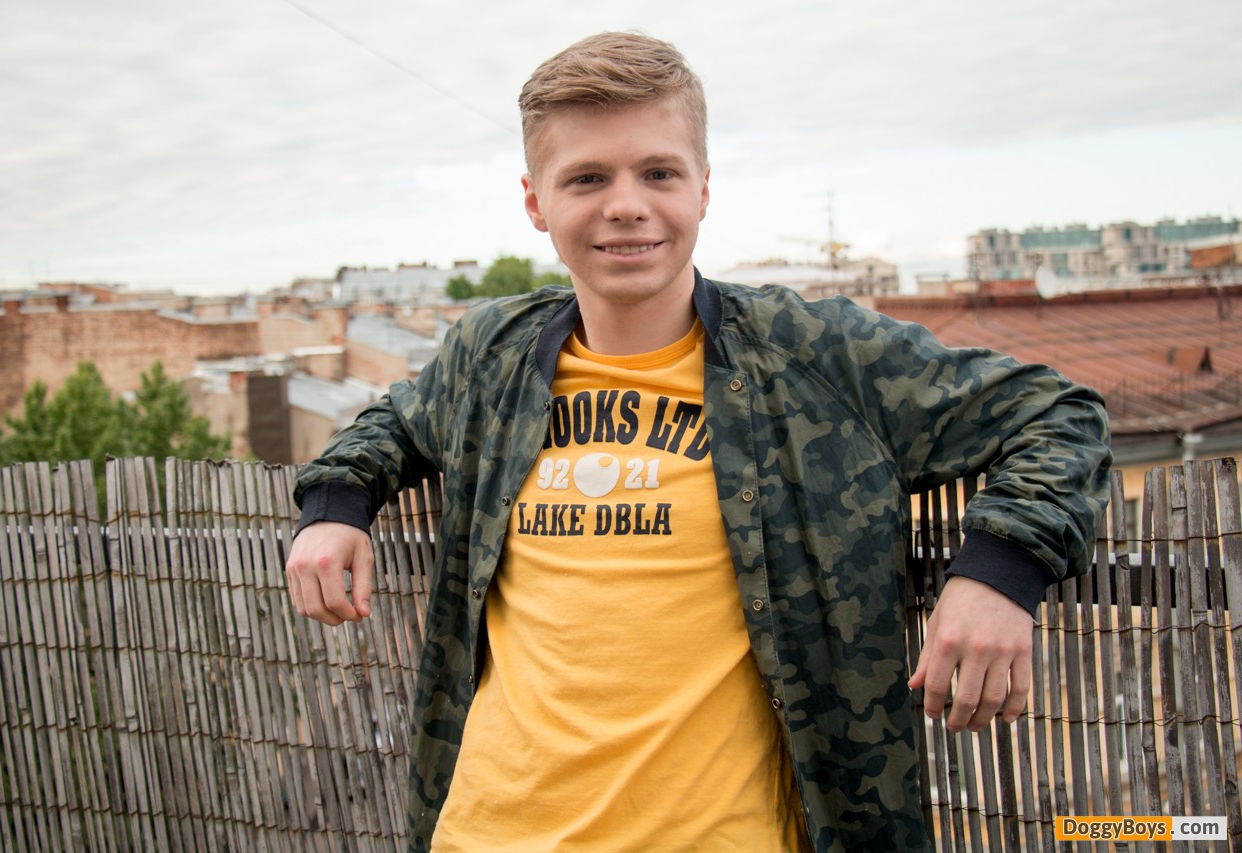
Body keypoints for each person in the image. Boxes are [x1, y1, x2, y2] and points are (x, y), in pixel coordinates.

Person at [285, 31, 1111, 852]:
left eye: (659, 172)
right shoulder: (494, 353)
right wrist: (335, 505)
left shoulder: (816, 355)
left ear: (704, 189)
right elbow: (395, 421)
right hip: (486, 832)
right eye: (586, 177)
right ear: (535, 202)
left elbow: (1058, 414)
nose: (626, 204)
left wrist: (998, 571)